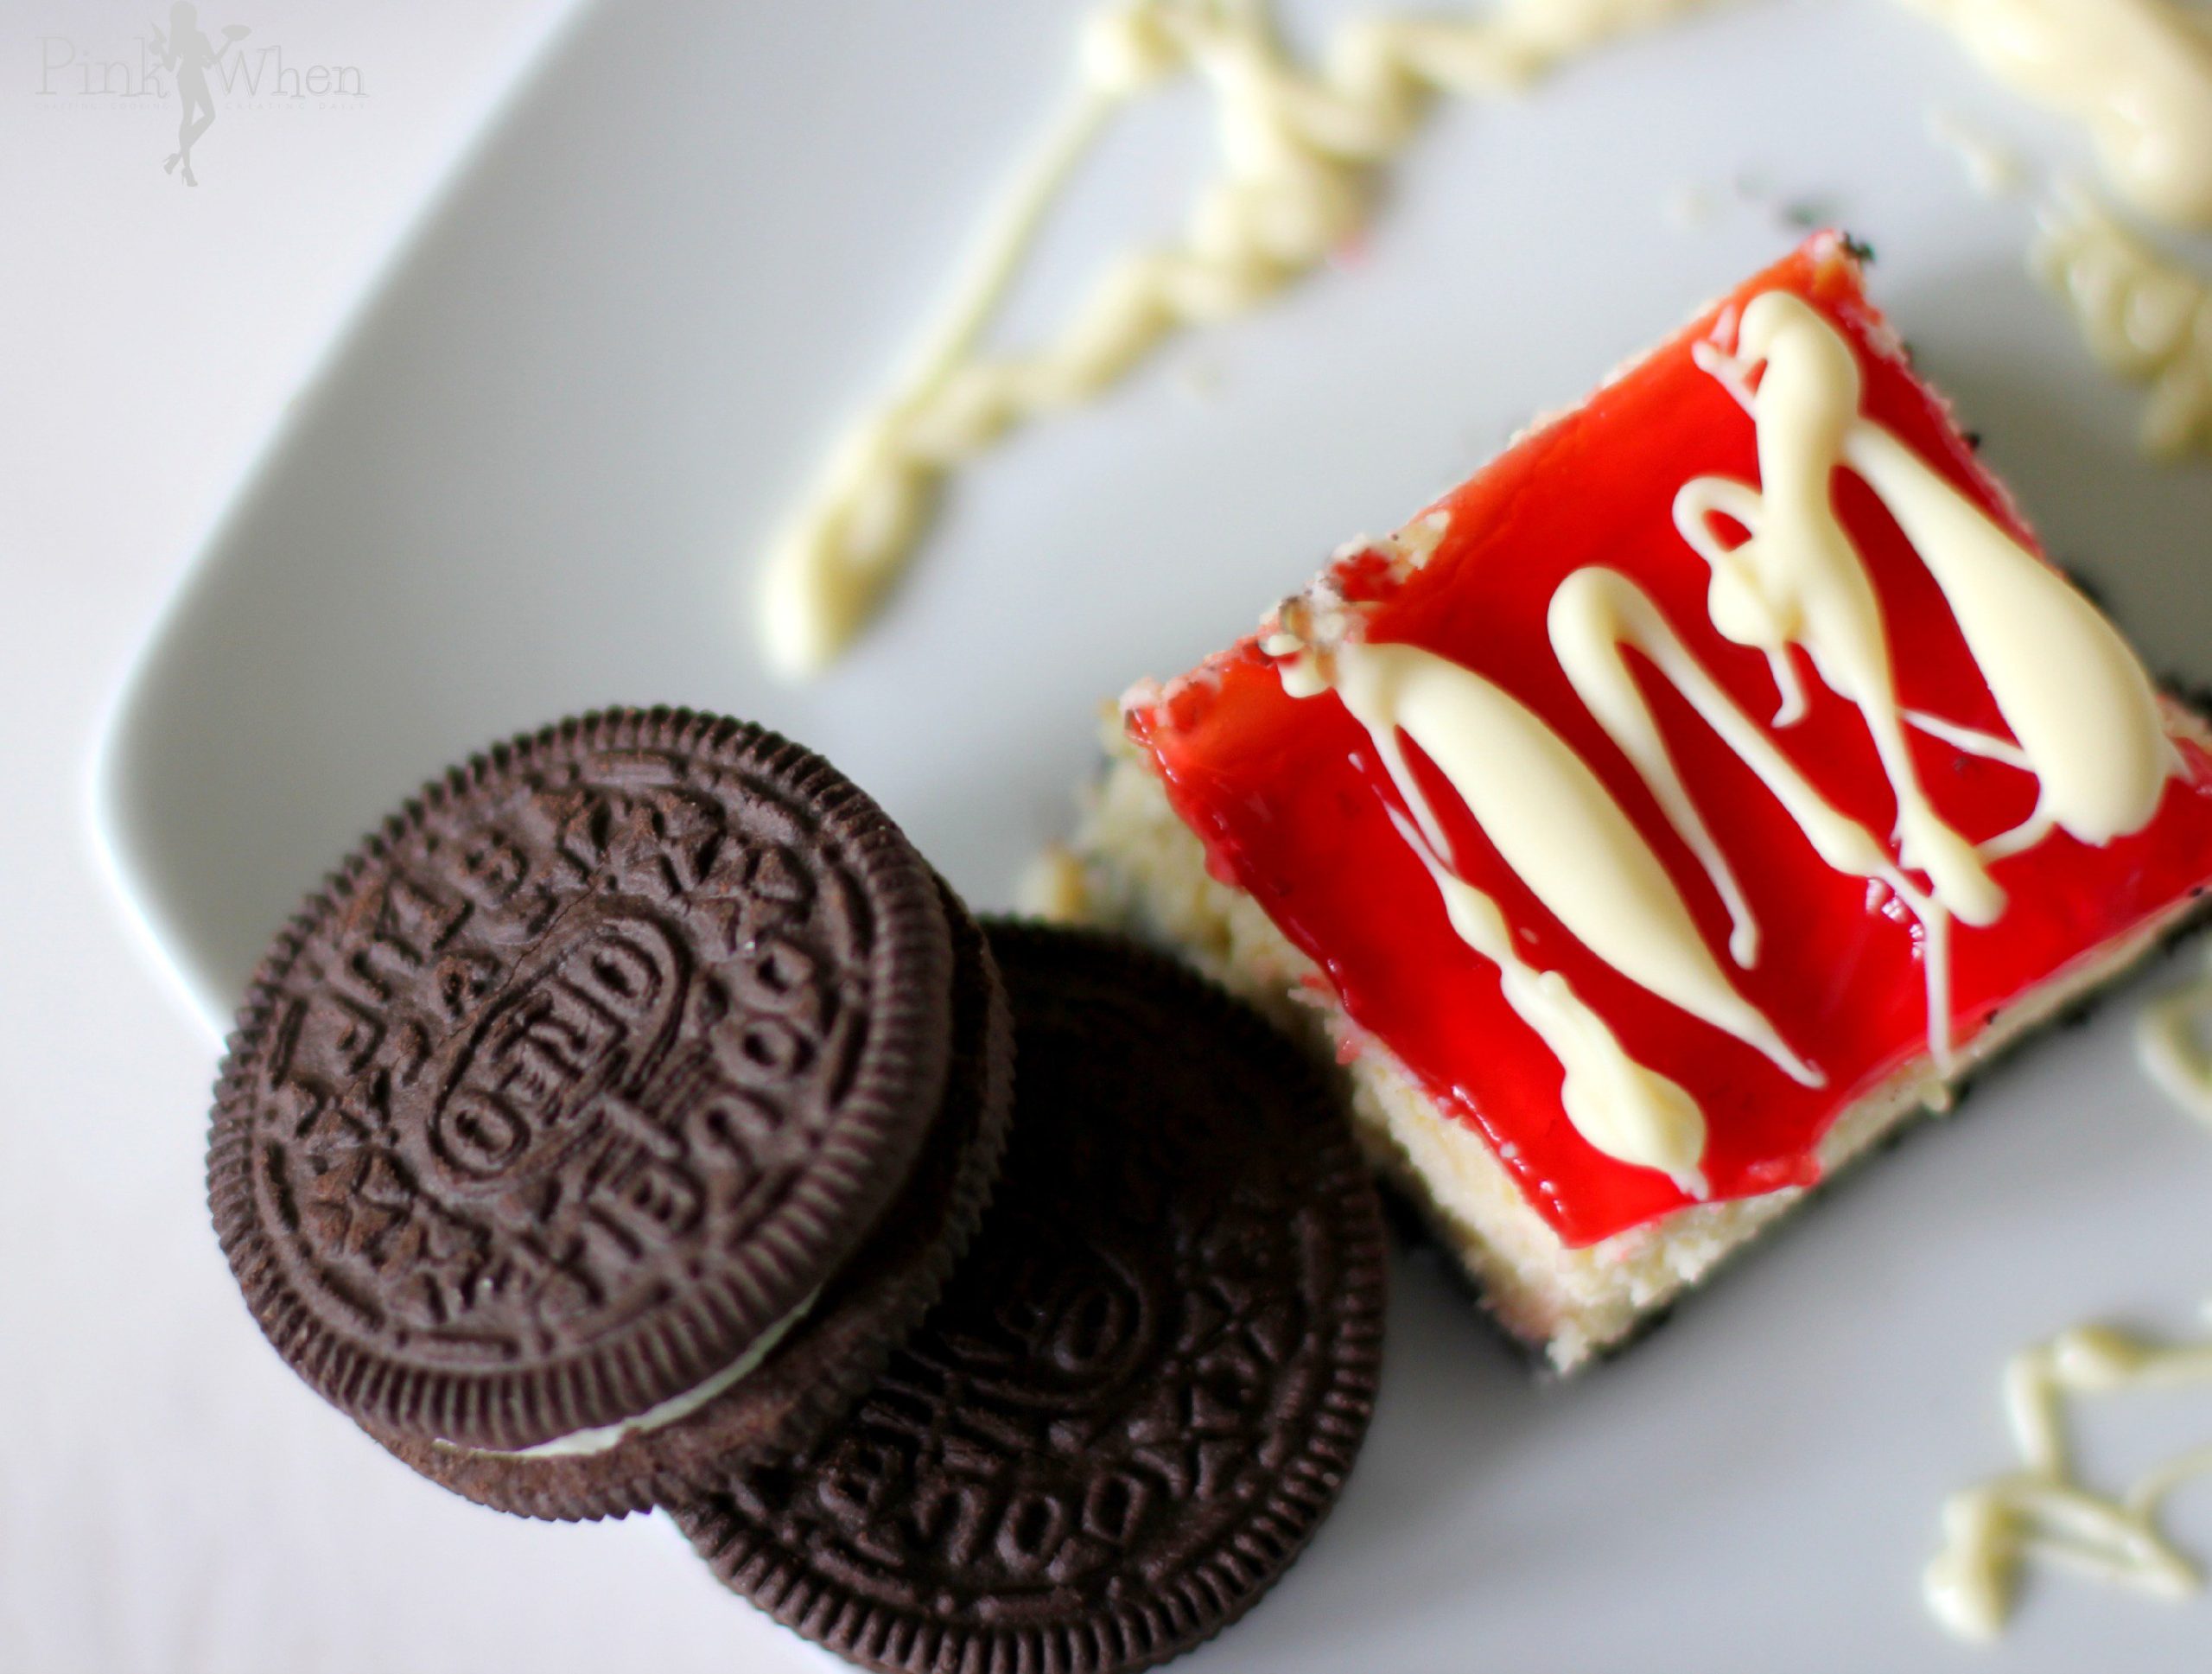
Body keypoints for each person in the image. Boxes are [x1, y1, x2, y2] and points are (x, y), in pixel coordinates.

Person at [153, 3, 246, 186]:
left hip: (196, 77)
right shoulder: (182, 38)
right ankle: (186, 168)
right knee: (188, 118)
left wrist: (229, 41)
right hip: (187, 77)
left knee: (209, 116)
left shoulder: (195, 37)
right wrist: (161, 48)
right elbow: (172, 65)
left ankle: (178, 158)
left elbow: (211, 62)